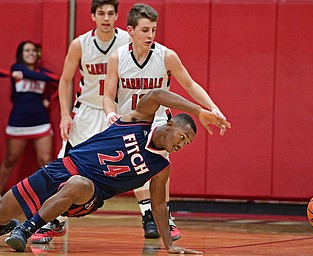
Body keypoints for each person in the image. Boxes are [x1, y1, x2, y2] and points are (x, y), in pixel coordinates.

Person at [0, 89, 231, 253]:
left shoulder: (162, 167)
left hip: (90, 193)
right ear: (169, 125)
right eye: (182, 137)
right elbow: (156, 95)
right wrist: (199, 111)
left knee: (78, 184)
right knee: (2, 210)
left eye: (186, 143)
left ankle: (25, 230)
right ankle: (7, 225)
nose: (181, 145)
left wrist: (169, 244)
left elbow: (159, 205)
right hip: (62, 168)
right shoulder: (137, 121)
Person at [103, 3, 228, 241]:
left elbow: (190, 84)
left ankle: (164, 216)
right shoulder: (117, 58)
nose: (150, 35)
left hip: (159, 122)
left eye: (153, 30)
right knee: (133, 170)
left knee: (159, 166)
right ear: (130, 30)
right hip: (128, 121)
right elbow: (108, 96)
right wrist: (111, 115)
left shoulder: (166, 56)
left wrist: (213, 108)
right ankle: (147, 213)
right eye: (144, 30)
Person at [30, 0, 130, 244]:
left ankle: (152, 215)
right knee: (66, 166)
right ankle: (54, 220)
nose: (106, 18)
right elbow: (65, 80)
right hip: (85, 111)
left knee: (136, 159)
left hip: (115, 112)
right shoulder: (80, 44)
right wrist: (65, 115)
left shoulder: (127, 40)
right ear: (93, 16)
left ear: (117, 16)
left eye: (110, 13)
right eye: (101, 13)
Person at [0, 41, 59, 196]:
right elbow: (43, 78)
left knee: (45, 159)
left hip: (40, 122)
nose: (31, 53)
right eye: (27, 50)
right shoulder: (16, 68)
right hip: (18, 122)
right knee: (10, 160)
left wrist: (49, 98)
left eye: (34, 50)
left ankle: (54, 194)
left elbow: (56, 79)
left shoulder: (40, 72)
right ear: (21, 54)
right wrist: (20, 74)